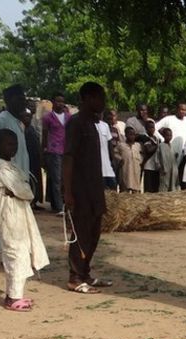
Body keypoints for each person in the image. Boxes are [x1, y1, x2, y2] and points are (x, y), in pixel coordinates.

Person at [0, 129, 49, 311]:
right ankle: (13, 298)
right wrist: (19, 191)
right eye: (8, 144)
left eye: (15, 144)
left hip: (18, 215)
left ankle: (14, 294)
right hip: (9, 216)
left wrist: (19, 191)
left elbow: (25, 189)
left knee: (21, 252)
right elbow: (23, 190)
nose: (12, 148)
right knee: (15, 254)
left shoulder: (12, 166)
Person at [63, 82, 111, 294]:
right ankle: (75, 277)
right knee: (81, 233)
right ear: (88, 98)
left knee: (93, 233)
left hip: (94, 188)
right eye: (100, 98)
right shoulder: (76, 123)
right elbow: (68, 157)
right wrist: (67, 191)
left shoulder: (93, 124)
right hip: (80, 189)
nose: (103, 103)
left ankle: (85, 273)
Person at [0, 85, 31, 185]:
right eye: (19, 99)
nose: (23, 102)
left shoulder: (18, 121)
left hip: (19, 180)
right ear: (8, 101)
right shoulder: (2, 120)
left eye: (24, 99)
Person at [41, 93, 70, 214]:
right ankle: (58, 206)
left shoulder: (68, 117)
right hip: (53, 151)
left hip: (66, 150)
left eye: (62, 101)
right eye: (58, 101)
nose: (60, 104)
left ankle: (62, 203)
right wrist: (44, 150)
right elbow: (45, 134)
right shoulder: (48, 117)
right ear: (53, 102)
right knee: (56, 179)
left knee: (65, 179)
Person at [21, 109, 43, 208]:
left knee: (36, 180)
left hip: (35, 159)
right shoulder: (21, 130)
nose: (28, 119)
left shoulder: (32, 129)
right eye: (26, 116)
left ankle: (34, 201)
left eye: (29, 117)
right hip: (26, 160)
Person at [113, 126, 143, 193]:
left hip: (136, 170)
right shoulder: (121, 145)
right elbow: (115, 153)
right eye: (130, 134)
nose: (132, 136)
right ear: (126, 135)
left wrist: (140, 161)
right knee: (124, 190)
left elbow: (142, 154)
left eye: (133, 135)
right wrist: (120, 159)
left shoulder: (137, 145)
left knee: (136, 191)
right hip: (125, 169)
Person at [95, 114, 117, 190]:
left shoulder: (105, 125)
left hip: (107, 165)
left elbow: (109, 144)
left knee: (113, 187)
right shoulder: (88, 125)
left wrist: (113, 159)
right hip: (96, 166)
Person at [154, 126, 179, 192]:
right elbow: (157, 158)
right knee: (164, 186)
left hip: (173, 170)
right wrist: (160, 167)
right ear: (164, 136)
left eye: (170, 135)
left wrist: (175, 156)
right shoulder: (161, 145)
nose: (169, 137)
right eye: (167, 135)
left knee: (172, 185)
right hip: (164, 170)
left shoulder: (172, 145)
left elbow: (173, 156)